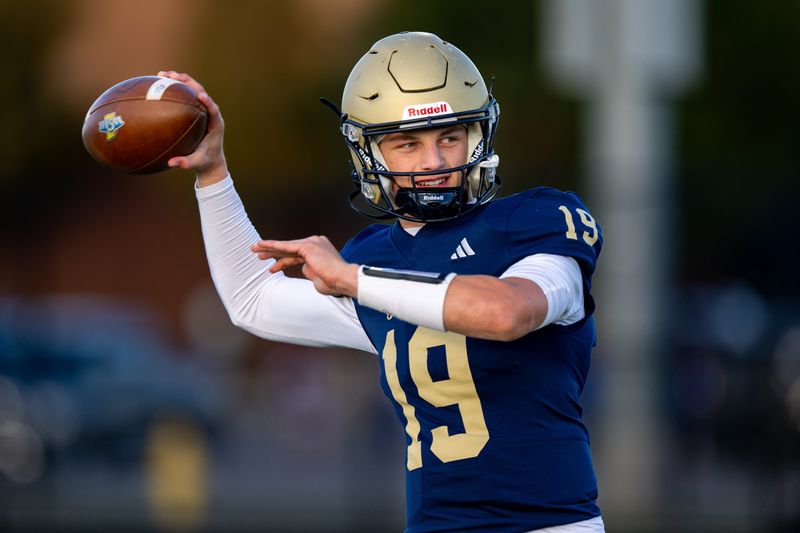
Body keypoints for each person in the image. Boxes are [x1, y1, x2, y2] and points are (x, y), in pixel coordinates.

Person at [161, 31, 604, 533]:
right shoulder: (375, 259)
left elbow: (507, 313)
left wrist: (353, 279)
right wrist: (213, 173)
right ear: (367, 153)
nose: (434, 162)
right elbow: (253, 300)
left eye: (450, 137)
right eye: (407, 143)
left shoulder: (536, 219)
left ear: (479, 136)